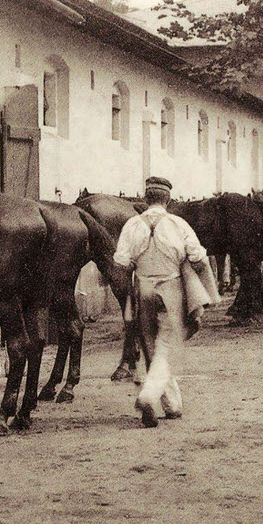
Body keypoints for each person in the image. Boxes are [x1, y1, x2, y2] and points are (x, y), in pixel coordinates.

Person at [113, 175, 213, 428]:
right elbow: (198, 256)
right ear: (167, 199)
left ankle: (172, 405)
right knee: (167, 346)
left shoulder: (132, 224)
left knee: (151, 346)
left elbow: (121, 261)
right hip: (171, 288)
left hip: (143, 288)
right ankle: (148, 396)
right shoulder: (178, 224)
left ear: (146, 199)